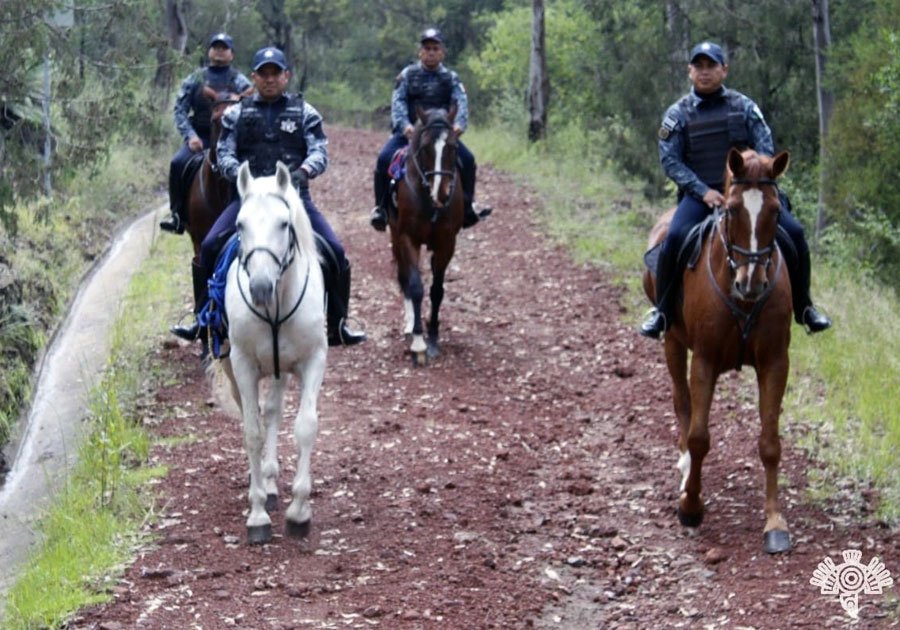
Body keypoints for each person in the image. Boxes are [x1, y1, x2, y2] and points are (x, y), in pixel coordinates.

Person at [170, 46, 366, 347]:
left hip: (295, 202)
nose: (270, 79)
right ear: (254, 77)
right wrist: (239, 175)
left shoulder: (305, 112)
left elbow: (319, 151)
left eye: (276, 73)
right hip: (247, 201)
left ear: (286, 76)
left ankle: (337, 324)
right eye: (264, 74)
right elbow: (224, 153)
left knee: (336, 252)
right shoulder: (236, 114)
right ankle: (202, 318)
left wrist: (304, 170)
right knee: (208, 247)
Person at [640, 41, 831, 339]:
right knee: (674, 237)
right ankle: (663, 311)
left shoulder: (744, 107)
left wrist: (754, 175)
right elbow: (671, 160)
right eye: (699, 66)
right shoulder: (677, 114)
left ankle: (805, 307)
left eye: (711, 66)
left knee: (794, 233)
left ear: (724, 70)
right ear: (690, 71)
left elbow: (765, 145)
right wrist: (703, 191)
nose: (705, 72)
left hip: (750, 193)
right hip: (701, 196)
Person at [369, 27, 492, 232]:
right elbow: (397, 104)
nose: (431, 52)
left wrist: (458, 126)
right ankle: (380, 208)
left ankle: (468, 207)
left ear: (442, 52)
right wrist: (405, 127)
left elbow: (461, 104)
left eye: (435, 48)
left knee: (468, 160)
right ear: (420, 52)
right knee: (383, 158)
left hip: (442, 136)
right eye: (427, 48)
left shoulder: (452, 78)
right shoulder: (407, 75)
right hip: (408, 136)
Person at [160, 32, 253, 234]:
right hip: (201, 138)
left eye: (224, 47)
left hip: (232, 140)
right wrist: (190, 136)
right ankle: (177, 215)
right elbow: (180, 110)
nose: (219, 51)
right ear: (209, 51)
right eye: (216, 47)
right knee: (177, 163)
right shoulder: (196, 78)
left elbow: (253, 106)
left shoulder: (239, 81)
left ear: (232, 54)